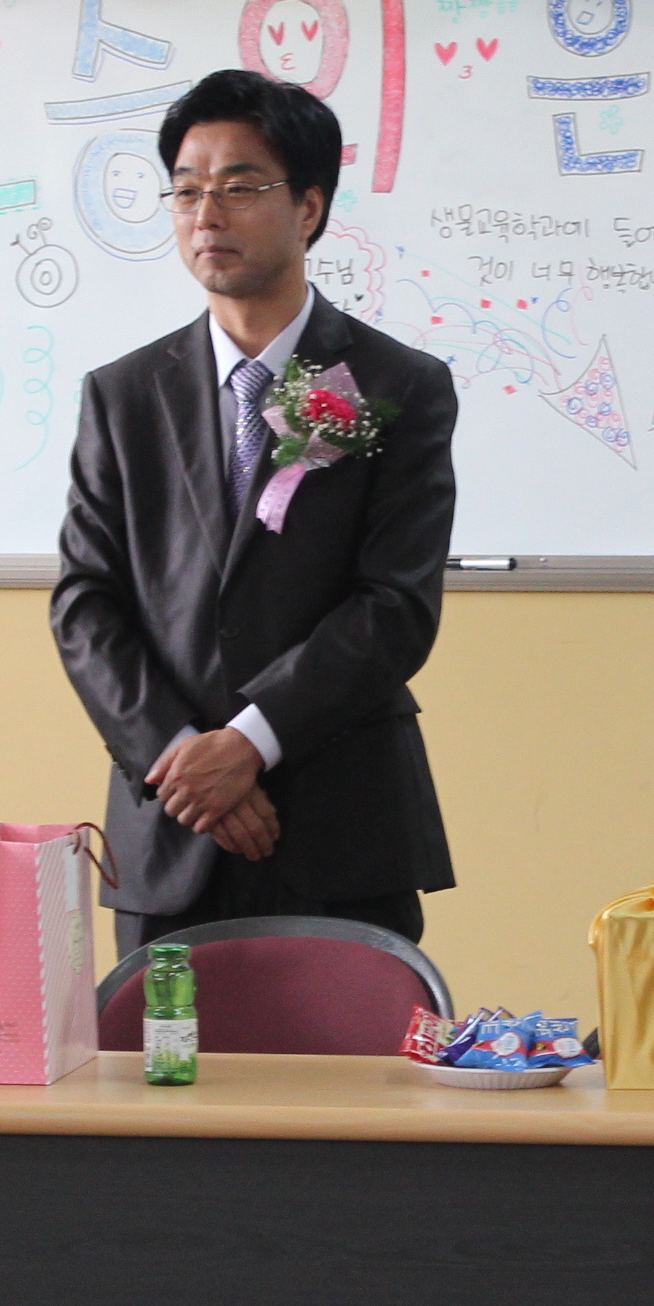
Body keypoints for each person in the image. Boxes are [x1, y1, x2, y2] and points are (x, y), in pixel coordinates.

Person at [51, 69, 460, 963]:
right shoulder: (122, 395)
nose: (207, 215)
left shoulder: (399, 384)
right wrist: (184, 758)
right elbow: (85, 604)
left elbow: (395, 605)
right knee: (164, 1055)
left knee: (349, 1059)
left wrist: (249, 742)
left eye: (239, 188)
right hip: (173, 830)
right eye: (186, 190)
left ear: (309, 207)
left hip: (341, 828)